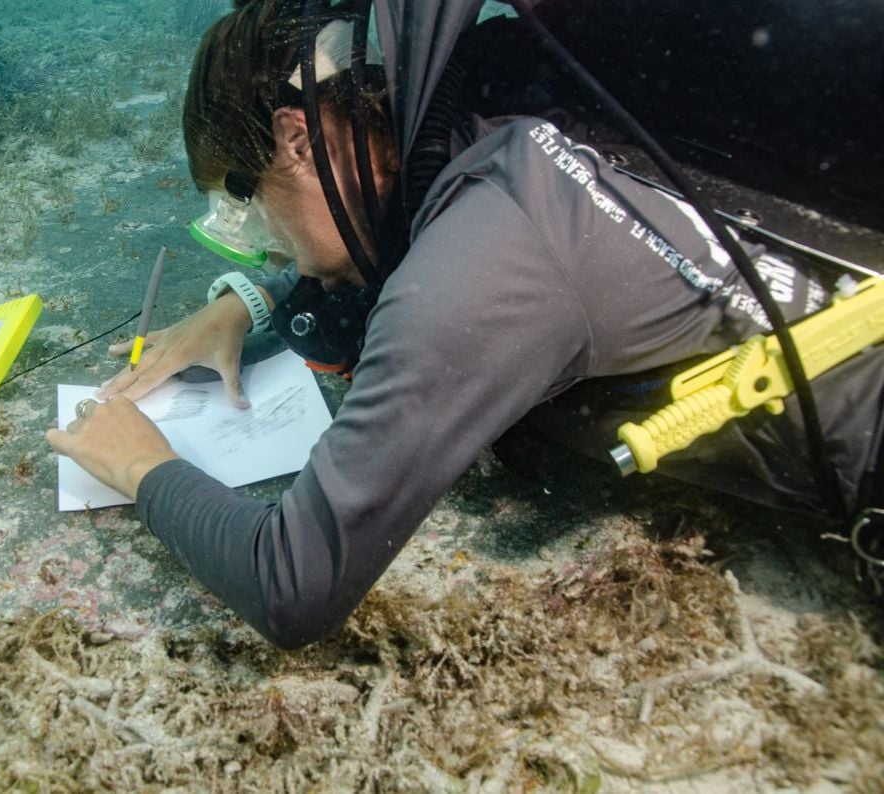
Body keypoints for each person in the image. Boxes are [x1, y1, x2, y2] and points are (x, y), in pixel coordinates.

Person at [46, 0, 884, 648]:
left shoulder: (479, 270)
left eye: (252, 216)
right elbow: (377, 236)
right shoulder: (477, 79)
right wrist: (248, 301)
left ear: (296, 141)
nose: (274, 248)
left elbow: (291, 586)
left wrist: (144, 467)